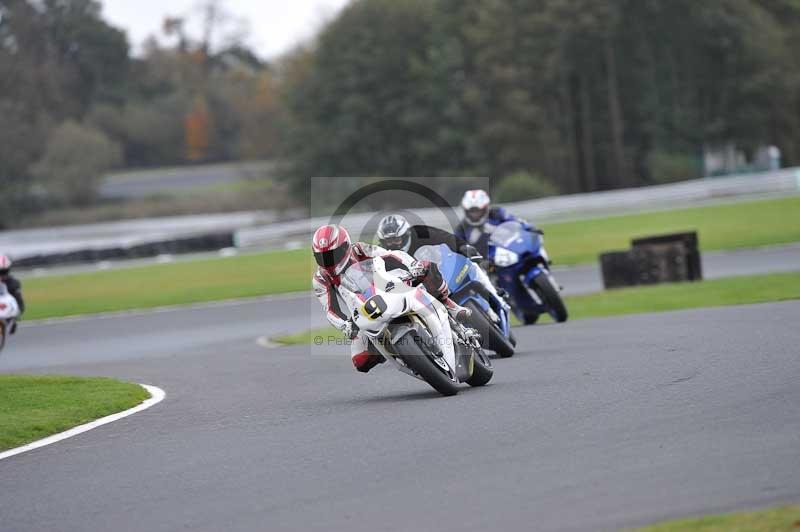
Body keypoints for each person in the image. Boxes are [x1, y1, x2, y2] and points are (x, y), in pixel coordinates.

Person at [311, 224, 471, 373]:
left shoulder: (359, 250)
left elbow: (390, 255)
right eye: (322, 257)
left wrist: (412, 266)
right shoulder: (320, 279)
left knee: (427, 268)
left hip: (386, 285)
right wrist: (345, 326)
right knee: (361, 362)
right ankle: (407, 357)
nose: (328, 261)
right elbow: (331, 310)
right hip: (362, 310)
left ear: (345, 246)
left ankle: (451, 306)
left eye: (332, 254)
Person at [376, 214, 508, 306]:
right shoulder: (384, 256)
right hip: (422, 289)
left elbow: (446, 237)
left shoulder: (420, 233)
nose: (393, 244)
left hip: (441, 268)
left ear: (406, 235)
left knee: (471, 264)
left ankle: (495, 293)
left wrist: (463, 247)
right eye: (388, 241)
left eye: (396, 239)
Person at [455, 189, 536, 256]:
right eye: (471, 211)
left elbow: (516, 221)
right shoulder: (462, 228)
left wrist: (528, 227)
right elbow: (456, 244)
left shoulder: (497, 214)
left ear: (485, 208)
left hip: (508, 255)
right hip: (482, 265)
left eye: (477, 211)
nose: (475, 214)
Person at [0, 255, 24, 334]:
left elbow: (19, 300)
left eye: (4, 272)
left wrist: (18, 312)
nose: (2, 275)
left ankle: (11, 322)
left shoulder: (14, 283)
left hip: (6, 308)